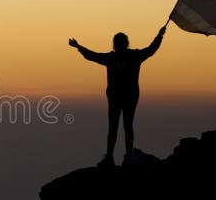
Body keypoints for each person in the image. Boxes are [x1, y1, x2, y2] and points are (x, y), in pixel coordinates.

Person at [69, 26, 166, 167]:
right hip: (129, 96)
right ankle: (126, 157)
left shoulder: (112, 58)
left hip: (117, 97)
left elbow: (93, 56)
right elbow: (151, 49)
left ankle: (111, 157)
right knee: (127, 126)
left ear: (115, 44)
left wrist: (78, 47)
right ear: (127, 43)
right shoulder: (133, 56)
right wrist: (159, 35)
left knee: (114, 127)